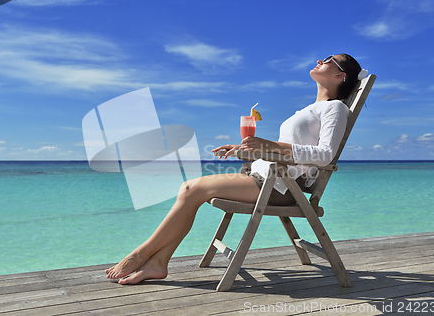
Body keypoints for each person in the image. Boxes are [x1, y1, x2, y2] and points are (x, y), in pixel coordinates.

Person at [105, 53, 363, 284]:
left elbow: (325, 156)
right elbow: (288, 149)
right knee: (189, 189)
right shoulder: (310, 108)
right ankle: (158, 263)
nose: (320, 60)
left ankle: (140, 255)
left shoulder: (335, 108)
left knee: (191, 188)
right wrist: (251, 151)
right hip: (265, 176)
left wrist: (269, 145)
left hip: (281, 186)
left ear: (340, 75)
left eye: (329, 59)